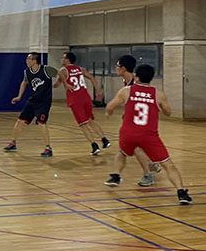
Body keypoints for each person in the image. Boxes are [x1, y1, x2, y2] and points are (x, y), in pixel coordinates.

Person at [104, 64, 191, 205]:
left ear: (136, 77)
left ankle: (116, 176)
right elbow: (168, 113)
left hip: (128, 133)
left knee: (121, 153)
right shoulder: (158, 94)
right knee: (168, 164)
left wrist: (108, 113)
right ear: (151, 78)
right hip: (149, 135)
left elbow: (110, 106)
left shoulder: (126, 91)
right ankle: (181, 192)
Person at [116, 55, 162, 186]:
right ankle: (151, 163)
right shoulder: (127, 82)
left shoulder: (135, 84)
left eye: (118, 66)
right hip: (134, 121)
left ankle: (148, 174)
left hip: (143, 122)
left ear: (124, 68)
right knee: (137, 146)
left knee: (136, 146)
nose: (116, 68)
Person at [53, 51, 111, 155]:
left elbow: (60, 85)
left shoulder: (62, 70)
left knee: (82, 124)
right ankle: (104, 140)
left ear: (68, 60)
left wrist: (49, 84)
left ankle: (94, 146)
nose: (62, 60)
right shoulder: (80, 69)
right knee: (90, 120)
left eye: (63, 58)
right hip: (86, 97)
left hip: (75, 100)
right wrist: (97, 91)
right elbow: (92, 78)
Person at [4, 52, 53, 157]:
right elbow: (24, 83)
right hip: (33, 100)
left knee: (41, 123)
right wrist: (19, 96)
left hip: (44, 102)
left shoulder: (46, 69)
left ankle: (48, 148)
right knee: (20, 120)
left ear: (34, 61)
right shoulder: (27, 72)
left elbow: (61, 73)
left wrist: (63, 83)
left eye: (29, 59)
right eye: (27, 59)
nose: (27, 61)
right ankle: (13, 143)